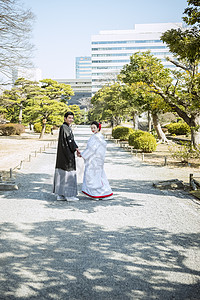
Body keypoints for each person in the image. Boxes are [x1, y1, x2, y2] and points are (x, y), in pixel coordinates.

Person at [81, 121, 113, 200]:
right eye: (91, 128)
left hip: (94, 160)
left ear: (98, 128)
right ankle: (96, 194)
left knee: (94, 177)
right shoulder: (98, 136)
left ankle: (104, 193)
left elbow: (91, 149)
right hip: (97, 160)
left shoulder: (96, 137)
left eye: (94, 128)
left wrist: (82, 154)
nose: (92, 129)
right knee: (97, 176)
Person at [53, 111, 81, 201]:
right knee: (69, 174)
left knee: (62, 174)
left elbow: (71, 140)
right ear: (65, 118)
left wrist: (76, 147)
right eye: (69, 118)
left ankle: (60, 194)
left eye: (72, 118)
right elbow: (70, 140)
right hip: (67, 153)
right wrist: (75, 149)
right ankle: (69, 195)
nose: (71, 119)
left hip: (62, 154)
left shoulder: (65, 127)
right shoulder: (65, 127)